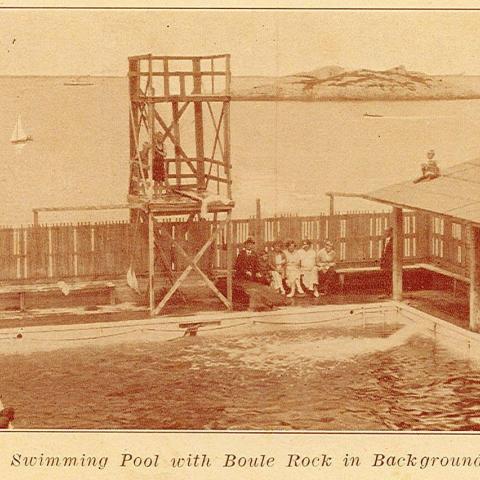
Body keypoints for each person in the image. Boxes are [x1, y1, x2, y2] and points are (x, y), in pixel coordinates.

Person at [380, 227, 393, 295]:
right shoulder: (384, 240)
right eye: (385, 231)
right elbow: (383, 251)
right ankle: (386, 291)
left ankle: (389, 292)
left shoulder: (393, 240)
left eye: (388, 231)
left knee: (389, 277)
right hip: (385, 261)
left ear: (391, 232)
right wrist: (382, 260)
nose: (386, 233)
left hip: (390, 262)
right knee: (385, 276)